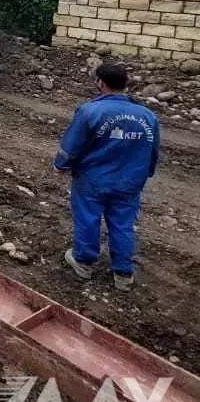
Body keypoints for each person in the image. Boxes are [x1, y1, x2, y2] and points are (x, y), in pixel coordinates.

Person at [55, 64, 160, 292]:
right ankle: (123, 274)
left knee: (88, 218)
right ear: (126, 84)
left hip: (93, 180)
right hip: (130, 182)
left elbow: (72, 146)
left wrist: (61, 165)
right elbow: (153, 151)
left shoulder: (90, 111)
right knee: (123, 225)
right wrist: (146, 172)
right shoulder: (148, 116)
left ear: (100, 83)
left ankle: (83, 263)